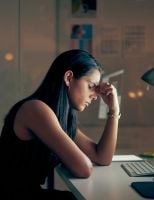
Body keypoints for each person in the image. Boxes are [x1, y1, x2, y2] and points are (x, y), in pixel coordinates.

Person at [0, 49, 120, 199]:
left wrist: (114, 110)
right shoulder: (36, 110)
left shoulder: (60, 118)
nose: (95, 96)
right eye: (91, 86)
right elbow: (84, 169)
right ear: (69, 78)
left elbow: (102, 157)